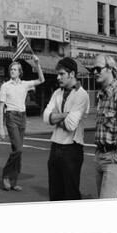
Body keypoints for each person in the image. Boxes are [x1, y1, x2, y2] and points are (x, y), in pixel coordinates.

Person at [43, 58, 90, 201]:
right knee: (55, 193)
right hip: (55, 146)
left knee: (71, 194)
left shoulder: (82, 95)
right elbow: (45, 117)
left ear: (72, 74)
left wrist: (54, 118)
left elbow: (71, 125)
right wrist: (65, 114)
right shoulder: (57, 92)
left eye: (62, 74)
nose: (58, 77)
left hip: (72, 148)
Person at [0, 56, 45, 191]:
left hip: (22, 117)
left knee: (17, 150)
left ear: (20, 72)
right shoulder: (5, 86)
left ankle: (14, 181)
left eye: (15, 70)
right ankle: (6, 175)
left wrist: (37, 64)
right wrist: (1, 127)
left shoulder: (25, 84)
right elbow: (1, 107)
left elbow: (42, 80)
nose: (12, 71)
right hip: (11, 116)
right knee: (18, 149)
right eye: (11, 69)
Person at [92, 55, 117, 198]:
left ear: (111, 70)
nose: (95, 72)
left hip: (112, 157)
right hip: (99, 155)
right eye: (93, 69)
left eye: (98, 68)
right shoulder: (102, 95)